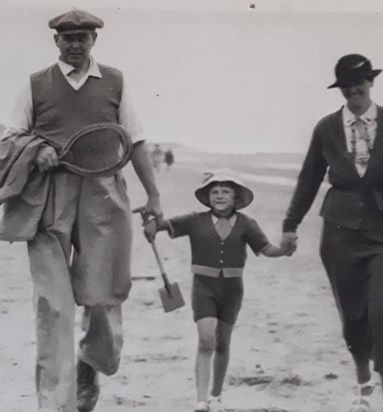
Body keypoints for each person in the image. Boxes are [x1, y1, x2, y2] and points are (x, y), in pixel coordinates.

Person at [3, 9, 163, 412]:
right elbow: (9, 137)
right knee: (53, 305)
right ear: (56, 41)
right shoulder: (35, 84)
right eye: (68, 37)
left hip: (104, 196)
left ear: (94, 40)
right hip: (46, 199)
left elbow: (137, 142)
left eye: (83, 37)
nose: (75, 44)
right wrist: (36, 149)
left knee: (104, 296)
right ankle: (56, 403)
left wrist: (155, 196)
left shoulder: (115, 81)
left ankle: (91, 364)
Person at [281, 54, 383, 412]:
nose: (353, 90)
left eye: (359, 83)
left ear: (371, 82)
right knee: (354, 316)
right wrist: (290, 225)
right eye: (346, 85)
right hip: (339, 235)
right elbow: (309, 178)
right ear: (339, 88)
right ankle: (362, 384)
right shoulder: (326, 127)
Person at [144, 170, 292, 412]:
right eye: (214, 191)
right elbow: (162, 225)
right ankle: (201, 401)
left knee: (223, 343)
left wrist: (285, 250)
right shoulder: (194, 220)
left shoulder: (247, 224)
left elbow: (267, 249)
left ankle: (216, 396)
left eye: (226, 191)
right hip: (203, 288)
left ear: (235, 198)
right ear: (207, 197)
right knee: (206, 340)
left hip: (233, 290)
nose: (220, 195)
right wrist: (151, 225)